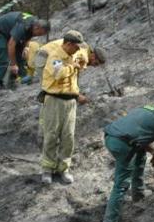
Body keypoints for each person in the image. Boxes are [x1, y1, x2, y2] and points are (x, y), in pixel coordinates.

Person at [39, 30, 106, 184]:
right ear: (68, 44)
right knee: (51, 135)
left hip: (70, 101)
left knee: (68, 137)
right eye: (76, 47)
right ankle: (47, 169)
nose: (78, 50)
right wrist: (72, 66)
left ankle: (63, 168)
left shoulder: (73, 54)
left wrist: (81, 63)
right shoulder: (55, 56)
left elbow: (82, 56)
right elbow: (58, 73)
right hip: (54, 100)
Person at [0, 11, 50, 90]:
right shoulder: (22, 26)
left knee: (21, 54)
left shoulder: (34, 23)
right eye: (39, 34)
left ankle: (22, 77)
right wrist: (13, 64)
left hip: (12, 31)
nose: (38, 36)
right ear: (36, 28)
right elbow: (11, 45)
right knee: (3, 59)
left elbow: (30, 34)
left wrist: (26, 47)